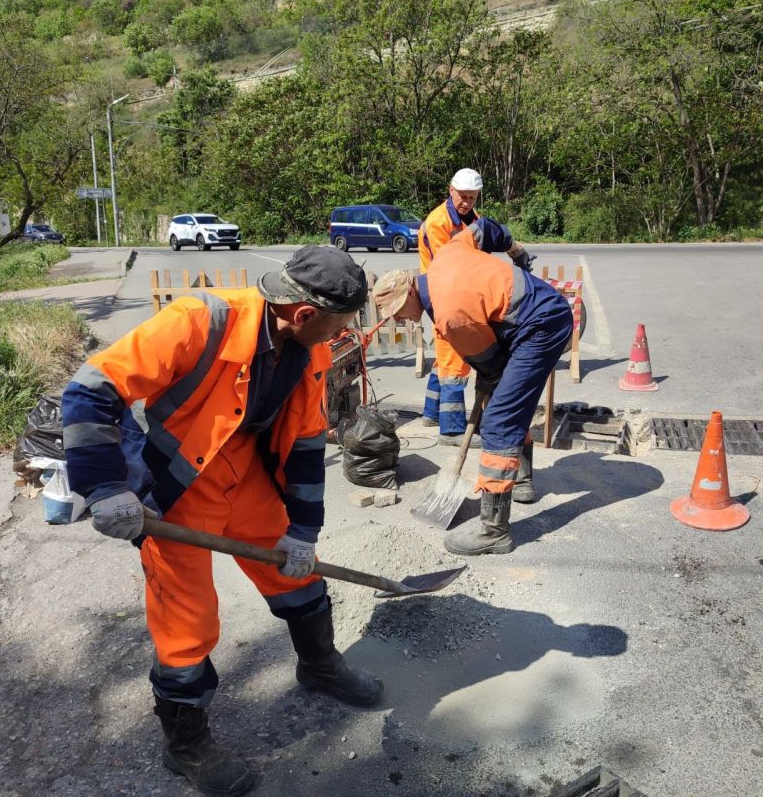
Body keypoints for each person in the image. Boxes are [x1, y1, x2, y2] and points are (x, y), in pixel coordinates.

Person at [62, 246, 383, 797]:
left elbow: (306, 446)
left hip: (245, 475)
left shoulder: (311, 352)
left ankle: (319, 665)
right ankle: (186, 745)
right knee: (186, 623)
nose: (343, 334)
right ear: (304, 313)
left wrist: (303, 530)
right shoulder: (199, 321)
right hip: (179, 487)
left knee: (297, 574)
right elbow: (91, 388)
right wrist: (104, 486)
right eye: (339, 324)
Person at [372, 219, 573, 556]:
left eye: (397, 312)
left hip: (541, 327)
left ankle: (494, 531)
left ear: (409, 293)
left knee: (498, 421)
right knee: (507, 401)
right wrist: (516, 251)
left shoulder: (450, 315)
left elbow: (492, 365)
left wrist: (489, 377)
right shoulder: (446, 255)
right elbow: (485, 229)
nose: (399, 320)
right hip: (536, 313)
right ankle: (521, 482)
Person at [416, 168, 538, 502]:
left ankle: (430, 414)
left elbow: (481, 249)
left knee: (443, 358)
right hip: (443, 294)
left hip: (458, 291)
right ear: (451, 190)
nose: (467, 203)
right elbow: (449, 266)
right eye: (463, 197)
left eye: (472, 198)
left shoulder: (473, 218)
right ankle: (452, 429)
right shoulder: (438, 223)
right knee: (453, 361)